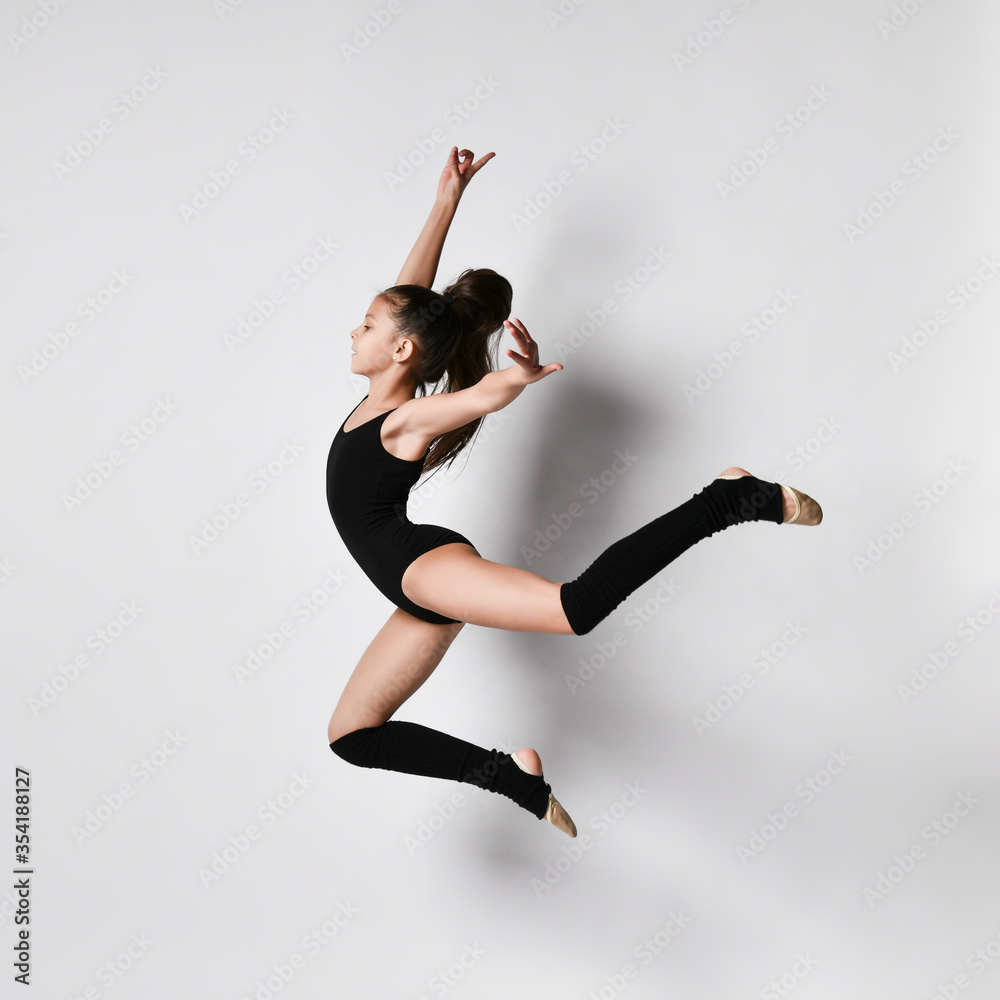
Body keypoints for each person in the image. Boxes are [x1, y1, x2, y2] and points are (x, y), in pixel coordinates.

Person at [326, 146, 822, 838]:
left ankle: (728, 500)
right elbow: (411, 301)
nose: (356, 329)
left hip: (419, 568)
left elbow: (476, 396)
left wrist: (513, 380)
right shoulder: (385, 385)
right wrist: (447, 202)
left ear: (401, 350)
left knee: (576, 609)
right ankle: (507, 774)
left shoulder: (403, 419)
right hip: (405, 582)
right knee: (352, 734)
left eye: (368, 326)